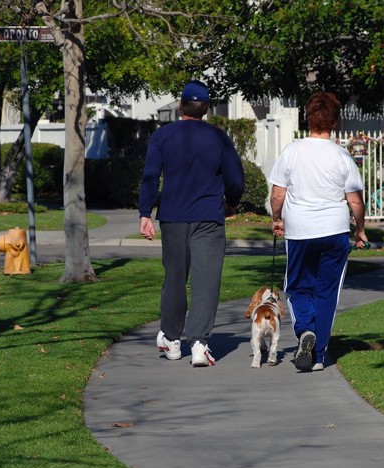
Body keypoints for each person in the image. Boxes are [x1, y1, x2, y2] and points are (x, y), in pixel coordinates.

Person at [138, 80, 245, 367]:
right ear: (206, 109)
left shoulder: (163, 136)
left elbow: (150, 176)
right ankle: (199, 343)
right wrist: (231, 203)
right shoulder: (219, 138)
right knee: (206, 280)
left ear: (182, 105)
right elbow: (236, 178)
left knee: (174, 278)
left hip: (173, 217)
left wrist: (145, 213)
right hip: (209, 217)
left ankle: (172, 340)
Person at [268, 91, 368, 372]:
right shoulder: (342, 156)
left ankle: (305, 331)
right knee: (326, 292)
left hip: (300, 230)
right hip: (335, 230)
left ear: (308, 118)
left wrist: (277, 218)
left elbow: (277, 194)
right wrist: (360, 230)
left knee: (298, 287)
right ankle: (319, 356)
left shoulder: (292, 150)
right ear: (335, 122)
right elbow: (355, 201)